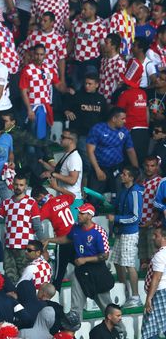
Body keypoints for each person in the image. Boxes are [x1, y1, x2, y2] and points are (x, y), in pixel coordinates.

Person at [46, 203, 114, 322]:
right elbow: (67, 238)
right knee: (75, 310)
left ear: (90, 216)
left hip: (97, 272)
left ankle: (120, 331)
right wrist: (50, 240)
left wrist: (85, 259)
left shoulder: (99, 232)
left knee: (107, 309)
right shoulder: (76, 227)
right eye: (79, 212)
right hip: (80, 272)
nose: (79, 215)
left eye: (82, 213)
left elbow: (105, 255)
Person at [107, 166, 144, 308]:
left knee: (129, 265)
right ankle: (124, 292)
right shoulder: (123, 191)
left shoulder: (135, 192)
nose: (122, 176)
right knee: (116, 261)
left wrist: (116, 219)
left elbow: (136, 217)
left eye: (124, 174)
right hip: (121, 232)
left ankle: (135, 297)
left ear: (131, 177)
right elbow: (115, 205)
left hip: (130, 233)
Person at [86, 107, 139, 193]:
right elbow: (90, 151)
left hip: (117, 168)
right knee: (94, 198)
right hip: (100, 167)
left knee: (117, 195)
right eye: (122, 119)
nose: (125, 121)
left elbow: (130, 150)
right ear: (114, 118)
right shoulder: (98, 129)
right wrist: (97, 170)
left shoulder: (125, 131)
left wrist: (136, 171)